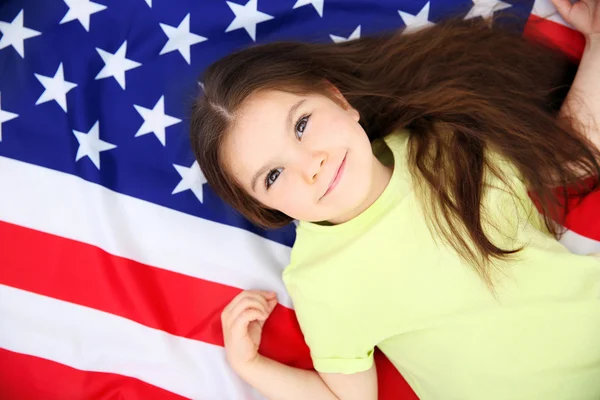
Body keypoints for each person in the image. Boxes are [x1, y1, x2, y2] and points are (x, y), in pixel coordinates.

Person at [189, 0, 600, 398]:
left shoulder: (443, 141)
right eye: (274, 175)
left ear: (340, 101)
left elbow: (569, 156)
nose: (310, 164)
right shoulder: (320, 280)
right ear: (266, 208)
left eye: (301, 125)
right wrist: (252, 367)